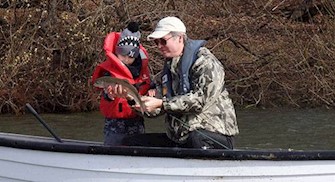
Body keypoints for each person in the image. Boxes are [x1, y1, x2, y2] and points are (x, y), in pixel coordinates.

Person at [110, 17, 239, 150]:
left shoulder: (205, 63)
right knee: (131, 142)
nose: (159, 46)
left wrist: (161, 103)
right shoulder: (168, 70)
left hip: (214, 137)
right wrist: (131, 99)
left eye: (163, 41)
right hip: (180, 138)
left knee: (195, 139)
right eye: (156, 42)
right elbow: (155, 110)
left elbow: (199, 101)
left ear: (180, 38)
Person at [91, 21, 154, 146]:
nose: (125, 59)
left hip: (137, 121)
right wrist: (110, 95)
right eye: (122, 54)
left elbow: (149, 85)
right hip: (114, 123)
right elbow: (105, 95)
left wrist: (152, 90)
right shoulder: (109, 71)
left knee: (138, 152)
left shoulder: (143, 70)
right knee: (113, 151)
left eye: (129, 56)